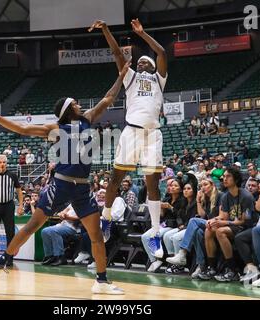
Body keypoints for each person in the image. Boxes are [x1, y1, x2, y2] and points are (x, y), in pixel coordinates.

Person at [0, 60, 131, 295]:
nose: (80, 104)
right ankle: (2, 261)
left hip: (82, 189)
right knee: (31, 227)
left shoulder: (87, 119)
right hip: (60, 185)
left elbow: (108, 98)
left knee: (97, 235)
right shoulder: (55, 129)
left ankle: (101, 280)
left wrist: (121, 75)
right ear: (69, 109)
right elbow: (23, 130)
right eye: (75, 103)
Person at [89, 19, 167, 259]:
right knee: (115, 178)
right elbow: (115, 52)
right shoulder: (130, 76)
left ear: (153, 68)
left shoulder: (159, 80)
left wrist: (142, 34)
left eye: (146, 62)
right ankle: (106, 217)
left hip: (153, 134)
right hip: (131, 131)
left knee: (152, 184)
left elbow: (161, 52)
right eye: (140, 61)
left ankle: (154, 232)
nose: (142, 63)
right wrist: (105, 29)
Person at [200, 168, 254, 282]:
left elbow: (246, 220)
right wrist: (214, 220)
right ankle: (212, 267)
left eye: (228, 176)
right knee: (209, 229)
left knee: (220, 231)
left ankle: (232, 270)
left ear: (236, 179)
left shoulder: (246, 196)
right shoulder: (225, 197)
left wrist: (224, 222)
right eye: (223, 176)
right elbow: (224, 216)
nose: (224, 179)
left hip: (247, 227)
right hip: (233, 225)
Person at [166, 178, 222, 278]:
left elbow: (222, 215)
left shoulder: (220, 196)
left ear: (212, 185)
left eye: (205, 184)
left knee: (193, 220)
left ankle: (182, 253)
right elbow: (202, 215)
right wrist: (198, 201)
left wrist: (212, 220)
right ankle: (201, 266)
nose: (203, 187)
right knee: (197, 232)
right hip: (209, 225)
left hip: (219, 224)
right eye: (201, 186)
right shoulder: (206, 198)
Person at [165, 181, 198, 274]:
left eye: (189, 189)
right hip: (182, 226)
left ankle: (179, 265)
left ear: (194, 190)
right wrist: (180, 224)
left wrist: (184, 226)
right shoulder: (184, 201)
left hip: (190, 227)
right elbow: (178, 216)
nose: (186, 191)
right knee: (167, 236)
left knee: (176, 237)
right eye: (184, 189)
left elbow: (194, 217)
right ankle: (173, 261)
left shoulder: (196, 202)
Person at [235, 177, 260, 283]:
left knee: (240, 238)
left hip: (258, 227)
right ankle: (235, 270)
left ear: (259, 188)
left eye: (253, 186)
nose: (250, 187)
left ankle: (254, 270)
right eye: (249, 186)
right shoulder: (244, 198)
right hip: (246, 226)